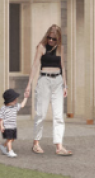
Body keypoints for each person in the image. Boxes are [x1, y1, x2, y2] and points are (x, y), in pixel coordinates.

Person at [22, 24, 72, 156]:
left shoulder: (61, 48)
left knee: (58, 115)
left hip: (58, 81)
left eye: (54, 39)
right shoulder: (41, 47)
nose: (51, 40)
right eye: (49, 37)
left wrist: (65, 85)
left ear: (59, 39)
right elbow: (34, 67)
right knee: (41, 114)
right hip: (44, 80)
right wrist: (28, 85)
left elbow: (62, 67)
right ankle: (36, 143)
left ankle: (59, 146)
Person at [0, 88, 22, 158]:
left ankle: (3, 146)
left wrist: (26, 98)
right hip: (7, 127)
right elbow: (1, 119)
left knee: (12, 139)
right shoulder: (3, 108)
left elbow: (22, 105)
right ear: (9, 101)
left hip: (13, 127)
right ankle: (10, 151)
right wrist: (1, 126)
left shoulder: (15, 106)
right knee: (9, 139)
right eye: (14, 99)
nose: (16, 100)